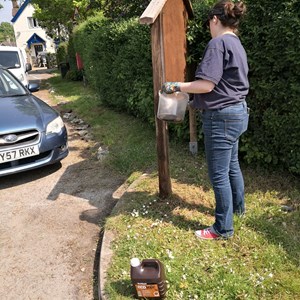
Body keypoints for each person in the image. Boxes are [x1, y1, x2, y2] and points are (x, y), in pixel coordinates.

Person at [162, 0, 249, 240]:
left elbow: (207, 84)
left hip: (221, 118)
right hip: (238, 112)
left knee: (219, 174)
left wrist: (175, 85)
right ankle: (238, 210)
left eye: (208, 22)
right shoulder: (236, 43)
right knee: (232, 166)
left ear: (214, 20)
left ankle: (223, 228)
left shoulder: (218, 43)